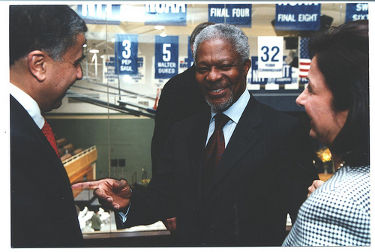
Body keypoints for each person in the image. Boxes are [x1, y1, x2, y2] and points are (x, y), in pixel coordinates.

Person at [73, 24, 317, 246]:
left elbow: (305, 216)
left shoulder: (283, 132)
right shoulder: (183, 132)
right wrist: (128, 202)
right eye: (203, 68)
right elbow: (164, 196)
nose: (212, 76)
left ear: (245, 67)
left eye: (224, 66)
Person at [283, 20, 369, 246]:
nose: (300, 99)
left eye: (311, 88)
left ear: (349, 103)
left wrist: (329, 198)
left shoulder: (334, 207)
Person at [10, 5, 87, 247]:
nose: (80, 74)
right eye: (76, 62)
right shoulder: (12, 138)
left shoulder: (23, 124)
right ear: (39, 65)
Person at [152, 21, 214, 232]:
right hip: (185, 198)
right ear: (193, 49)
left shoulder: (232, 87)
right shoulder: (175, 89)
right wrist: (167, 207)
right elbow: (160, 148)